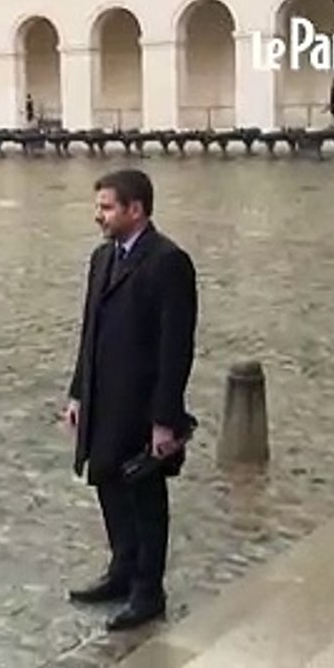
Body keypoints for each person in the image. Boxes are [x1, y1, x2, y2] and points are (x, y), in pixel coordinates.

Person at [64, 169, 199, 632]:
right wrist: (78, 391)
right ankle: (121, 570)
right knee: (107, 485)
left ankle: (148, 590)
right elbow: (90, 332)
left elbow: (175, 347)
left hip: (142, 406)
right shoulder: (102, 258)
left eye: (106, 207)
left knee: (143, 497)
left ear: (135, 209)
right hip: (103, 400)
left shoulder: (168, 261)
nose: (97, 216)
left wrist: (165, 420)